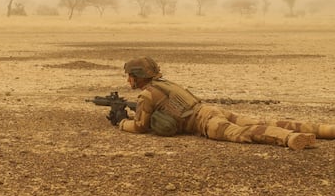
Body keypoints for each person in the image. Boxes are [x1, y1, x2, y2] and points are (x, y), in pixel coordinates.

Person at [117, 56, 335, 150]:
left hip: (204, 122)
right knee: (264, 120)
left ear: (138, 76)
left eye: (130, 76)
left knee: (245, 133)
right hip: (208, 110)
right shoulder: (164, 84)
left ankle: (290, 138)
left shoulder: (147, 95)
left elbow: (140, 127)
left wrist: (121, 123)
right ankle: (326, 130)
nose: (128, 80)